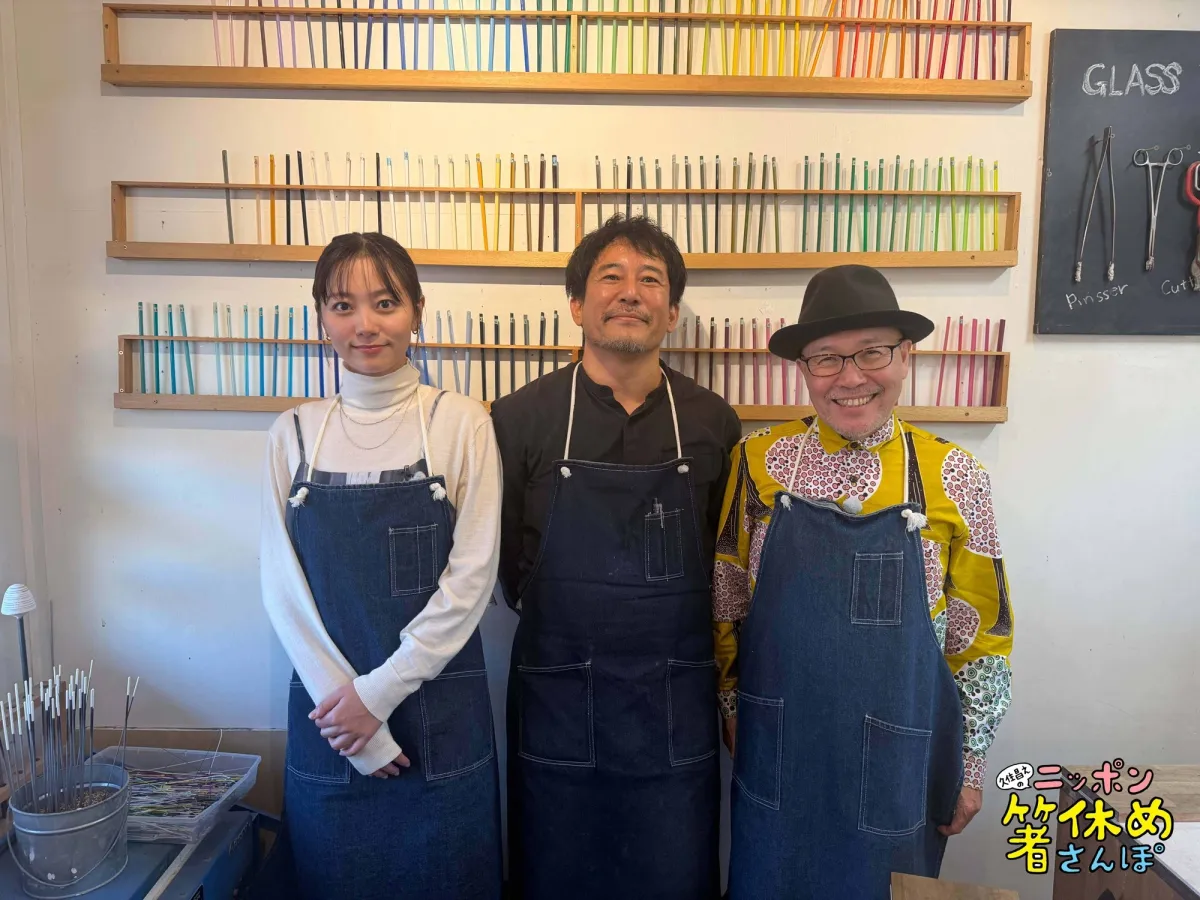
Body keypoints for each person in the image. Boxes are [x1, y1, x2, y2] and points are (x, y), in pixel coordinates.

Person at [715, 265, 1014, 899]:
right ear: (804, 370)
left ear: (906, 357)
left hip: (902, 759)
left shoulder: (955, 475)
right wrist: (734, 709)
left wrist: (970, 762)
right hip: (780, 749)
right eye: (826, 358)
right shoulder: (757, 462)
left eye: (872, 352)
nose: (850, 378)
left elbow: (983, 638)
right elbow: (727, 596)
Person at [492, 215, 741, 900]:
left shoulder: (713, 421)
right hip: (557, 696)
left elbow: (727, 572)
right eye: (611, 276)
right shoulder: (519, 418)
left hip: (675, 700)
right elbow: (503, 565)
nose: (631, 292)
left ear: (673, 312)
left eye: (650, 279)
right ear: (577, 304)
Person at [259, 233, 503, 900]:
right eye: (343, 305)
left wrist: (378, 695)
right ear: (321, 317)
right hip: (331, 722)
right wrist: (353, 719)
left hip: (438, 718)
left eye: (385, 303)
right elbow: (281, 588)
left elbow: (471, 579)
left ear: (417, 310)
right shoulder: (292, 432)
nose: (364, 324)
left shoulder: (461, 424)